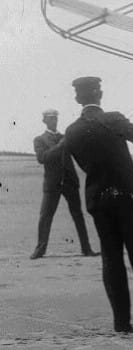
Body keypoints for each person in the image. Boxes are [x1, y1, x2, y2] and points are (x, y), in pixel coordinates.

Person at [62, 77, 133, 335]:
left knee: (111, 260)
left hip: (98, 200)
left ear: (77, 99)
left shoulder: (71, 131)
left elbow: (83, 163)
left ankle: (121, 323)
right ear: (100, 93)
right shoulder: (114, 119)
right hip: (126, 197)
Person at [30, 109, 98, 259]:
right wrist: (60, 146)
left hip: (70, 182)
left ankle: (86, 249)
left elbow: (80, 154)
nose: (54, 121)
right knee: (45, 216)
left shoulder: (65, 137)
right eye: (50, 118)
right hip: (52, 184)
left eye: (55, 118)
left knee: (78, 216)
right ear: (44, 121)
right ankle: (40, 250)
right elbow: (42, 158)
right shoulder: (39, 140)